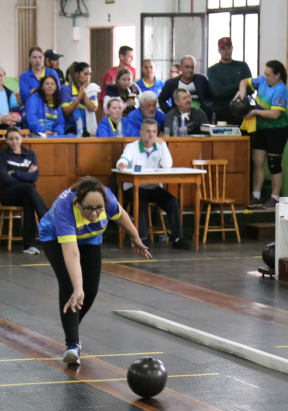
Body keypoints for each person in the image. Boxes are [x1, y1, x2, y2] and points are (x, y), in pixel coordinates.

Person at [39, 177, 150, 364]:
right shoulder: (65, 209)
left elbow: (121, 215)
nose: (94, 213)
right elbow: (72, 253)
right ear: (78, 202)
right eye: (88, 208)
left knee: (90, 290)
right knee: (70, 286)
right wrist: (77, 287)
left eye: (99, 208)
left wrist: (135, 236)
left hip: (90, 236)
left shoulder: (108, 200)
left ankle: (71, 324)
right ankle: (72, 344)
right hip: (54, 237)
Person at [117, 118, 190, 250]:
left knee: (172, 201)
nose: (151, 135)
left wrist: (163, 145)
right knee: (141, 199)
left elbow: (168, 165)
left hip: (154, 187)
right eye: (148, 131)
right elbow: (123, 159)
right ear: (141, 132)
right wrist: (121, 164)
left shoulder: (159, 147)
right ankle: (142, 239)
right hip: (134, 188)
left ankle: (178, 238)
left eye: (154, 132)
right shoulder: (132, 147)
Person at [234, 59, 288, 210]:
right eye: (264, 73)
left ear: (277, 75)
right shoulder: (263, 81)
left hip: (278, 129)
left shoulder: (281, 90)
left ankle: (275, 197)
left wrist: (254, 112)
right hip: (261, 127)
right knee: (257, 161)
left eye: (269, 74)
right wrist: (242, 89)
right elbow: (245, 81)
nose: (265, 77)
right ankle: (256, 195)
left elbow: (275, 114)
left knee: (273, 163)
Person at [0, 127, 48, 254]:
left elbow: (34, 177)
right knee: (28, 187)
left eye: (17, 138)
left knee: (28, 200)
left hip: (25, 193)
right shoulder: (3, 154)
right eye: (11, 139)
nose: (14, 142)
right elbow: (4, 178)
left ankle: (29, 245)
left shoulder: (30, 154)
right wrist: (25, 176)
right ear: (6, 141)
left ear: (22, 139)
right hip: (8, 194)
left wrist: (14, 172)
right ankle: (46, 218)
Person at [207, 37, 252, 125]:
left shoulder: (242, 66)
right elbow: (218, 91)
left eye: (228, 47)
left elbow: (251, 88)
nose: (226, 51)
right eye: (223, 48)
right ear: (219, 50)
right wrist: (241, 86)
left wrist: (227, 88)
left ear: (232, 48)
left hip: (242, 111)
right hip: (221, 112)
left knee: (244, 138)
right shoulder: (213, 70)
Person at [159, 55, 213, 120]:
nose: (190, 70)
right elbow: (161, 99)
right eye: (187, 67)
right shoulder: (171, 83)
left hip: (200, 119)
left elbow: (211, 97)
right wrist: (171, 112)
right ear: (181, 68)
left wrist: (208, 109)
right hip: (179, 120)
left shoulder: (202, 80)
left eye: (192, 67)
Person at [60, 62, 98, 135]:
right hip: (70, 127)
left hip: (87, 128)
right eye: (85, 74)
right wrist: (79, 97)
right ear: (77, 74)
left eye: (89, 74)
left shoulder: (92, 89)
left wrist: (84, 96)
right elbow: (66, 112)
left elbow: (93, 108)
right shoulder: (66, 89)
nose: (88, 77)